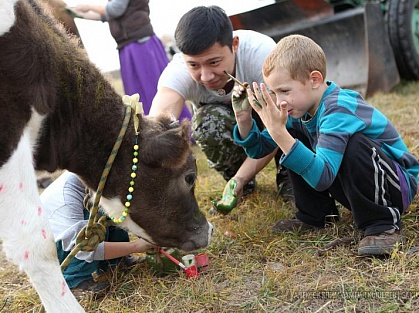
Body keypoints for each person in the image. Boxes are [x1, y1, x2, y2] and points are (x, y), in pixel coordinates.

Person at [232, 34, 419, 256]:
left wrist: (279, 133)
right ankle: (315, 216)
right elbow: (258, 149)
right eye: (274, 92)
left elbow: (323, 177)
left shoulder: (338, 108)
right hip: (359, 186)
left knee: (354, 144)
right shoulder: (297, 112)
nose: (279, 101)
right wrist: (244, 118)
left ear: (314, 80)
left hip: (396, 186)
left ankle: (383, 226)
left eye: (285, 91)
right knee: (292, 136)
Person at [149, 5, 292, 208]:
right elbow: (157, 128)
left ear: (234, 45)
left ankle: (288, 172)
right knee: (206, 122)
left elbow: (282, 123)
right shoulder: (177, 72)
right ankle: (242, 186)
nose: (206, 76)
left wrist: (240, 178)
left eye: (214, 62)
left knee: (292, 114)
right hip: (237, 129)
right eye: (194, 65)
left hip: (275, 123)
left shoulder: (263, 55)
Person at [67, 0, 191, 120]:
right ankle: (151, 130)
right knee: (138, 92)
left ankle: (174, 127)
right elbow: (106, 15)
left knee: (154, 89)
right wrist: (76, 13)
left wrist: (88, 5)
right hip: (128, 46)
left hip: (140, 46)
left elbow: (115, 9)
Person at [40, 171, 155, 297]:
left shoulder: (92, 181)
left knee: (110, 210)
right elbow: (82, 248)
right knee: (91, 224)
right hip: (52, 244)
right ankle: (75, 282)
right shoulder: (66, 200)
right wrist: (137, 246)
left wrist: (146, 233)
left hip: (68, 233)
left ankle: (115, 262)